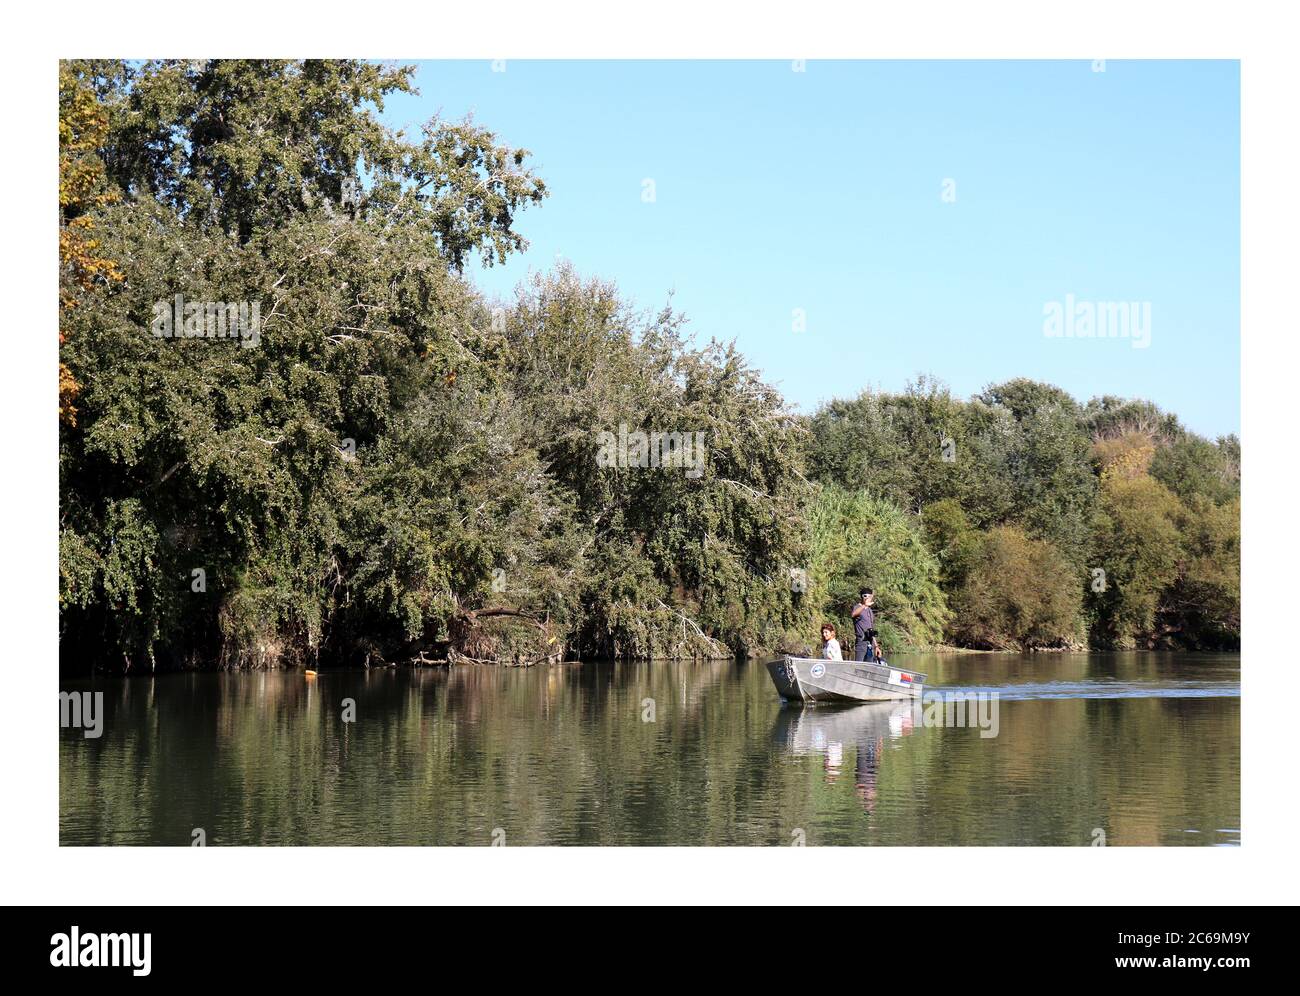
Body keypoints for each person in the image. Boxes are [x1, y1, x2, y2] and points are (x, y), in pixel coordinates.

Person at [851, 588, 878, 662]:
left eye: (870, 597)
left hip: (870, 643)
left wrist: (876, 646)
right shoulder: (857, 607)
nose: (868, 598)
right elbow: (853, 614)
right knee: (859, 666)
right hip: (861, 642)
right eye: (866, 596)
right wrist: (864, 605)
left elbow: (871, 629)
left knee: (869, 667)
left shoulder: (869, 611)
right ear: (862, 597)